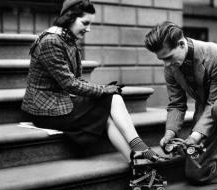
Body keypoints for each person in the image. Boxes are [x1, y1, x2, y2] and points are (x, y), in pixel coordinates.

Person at [21, 0, 162, 162]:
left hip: (60, 102)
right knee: (111, 100)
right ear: (69, 18)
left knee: (110, 106)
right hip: (46, 110)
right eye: (85, 23)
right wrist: (103, 90)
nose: (88, 29)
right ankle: (141, 151)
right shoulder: (51, 41)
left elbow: (77, 79)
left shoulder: (68, 40)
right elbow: (70, 84)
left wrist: (104, 90)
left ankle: (137, 161)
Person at [144, 21, 217, 190]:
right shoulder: (171, 65)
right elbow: (176, 103)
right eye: (162, 59)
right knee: (198, 174)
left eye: (168, 57)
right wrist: (170, 132)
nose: (166, 64)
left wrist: (194, 138)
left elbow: (215, 102)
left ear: (181, 44)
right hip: (207, 109)